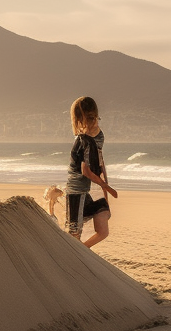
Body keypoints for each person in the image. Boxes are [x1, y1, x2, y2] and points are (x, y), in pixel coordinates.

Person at [41, 97, 120, 247]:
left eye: (93, 117)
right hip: (76, 192)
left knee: (102, 231)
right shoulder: (82, 139)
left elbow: (101, 164)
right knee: (74, 235)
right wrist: (106, 187)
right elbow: (85, 170)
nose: (92, 121)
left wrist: (105, 192)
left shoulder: (97, 135)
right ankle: (73, 254)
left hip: (89, 190)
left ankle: (81, 254)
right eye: (88, 118)